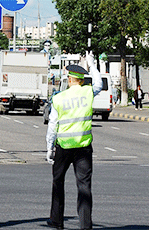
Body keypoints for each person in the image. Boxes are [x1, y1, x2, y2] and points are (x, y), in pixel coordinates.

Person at [46, 51, 102, 230]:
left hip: (63, 147)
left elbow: (52, 125)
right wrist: (92, 64)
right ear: (81, 80)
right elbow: (99, 83)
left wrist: (49, 148)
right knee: (84, 186)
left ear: (70, 79)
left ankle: (57, 220)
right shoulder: (88, 92)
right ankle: (85, 225)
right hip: (83, 147)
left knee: (58, 182)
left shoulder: (59, 98)